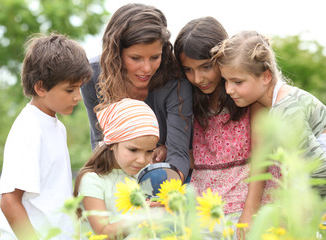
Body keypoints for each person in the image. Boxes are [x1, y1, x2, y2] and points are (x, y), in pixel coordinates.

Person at [174, 18, 279, 238]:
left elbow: (262, 156)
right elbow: (209, 154)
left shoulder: (247, 95)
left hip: (246, 200)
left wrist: (250, 212)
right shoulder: (192, 97)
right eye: (188, 70)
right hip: (207, 205)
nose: (198, 78)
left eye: (205, 67)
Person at [0, 33, 92, 240]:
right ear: (40, 87)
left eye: (79, 88)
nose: (77, 97)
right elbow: (9, 201)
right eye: (69, 89)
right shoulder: (29, 128)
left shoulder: (56, 127)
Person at [81, 3, 193, 181]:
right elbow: (101, 144)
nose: (147, 68)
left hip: (169, 175)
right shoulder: (92, 77)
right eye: (136, 58)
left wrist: (164, 194)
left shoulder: (175, 81)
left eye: (155, 57)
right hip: (118, 175)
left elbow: (178, 153)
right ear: (116, 53)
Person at [211, 30, 326, 196]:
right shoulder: (279, 101)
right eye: (226, 81)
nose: (228, 90)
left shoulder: (286, 109)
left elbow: (319, 173)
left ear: (266, 76)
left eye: (238, 82)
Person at [73, 98, 160, 239]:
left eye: (149, 151)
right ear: (112, 143)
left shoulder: (144, 175)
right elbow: (103, 233)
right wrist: (142, 215)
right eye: (133, 150)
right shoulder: (93, 180)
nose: (142, 160)